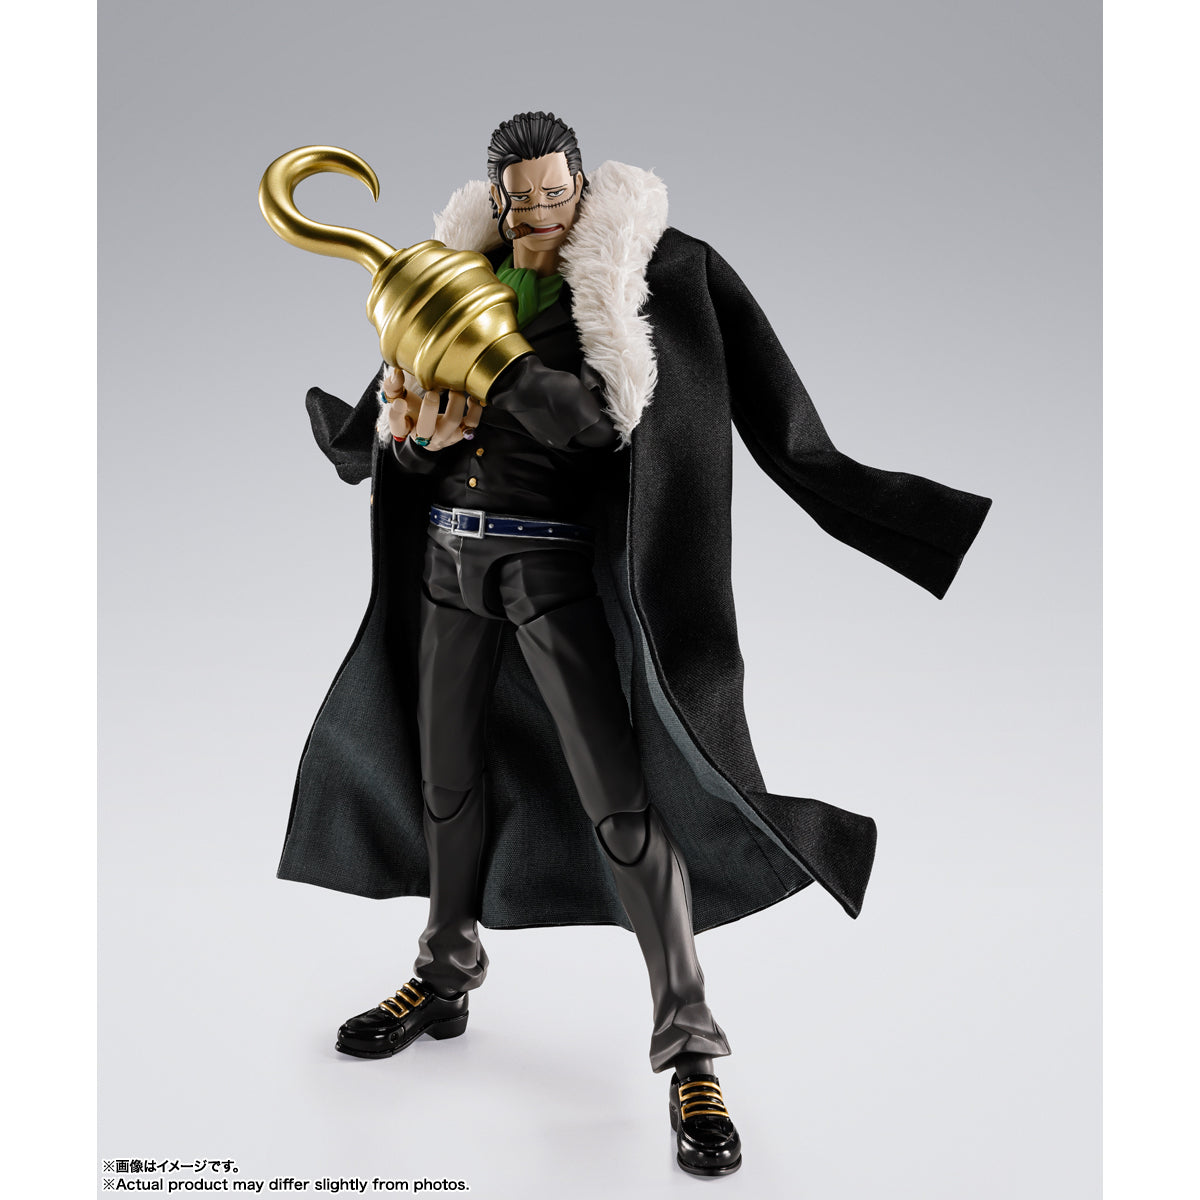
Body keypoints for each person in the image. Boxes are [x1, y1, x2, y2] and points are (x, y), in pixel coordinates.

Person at [281, 112, 991, 1178]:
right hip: (449, 566)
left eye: (554, 192)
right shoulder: (461, 276)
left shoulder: (632, 286)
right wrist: (415, 430)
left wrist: (488, 360)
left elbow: (589, 425)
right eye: (518, 195)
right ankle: (446, 968)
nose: (536, 210)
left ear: (579, 188)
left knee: (621, 806)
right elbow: (409, 446)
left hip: (550, 573)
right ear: (496, 196)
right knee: (445, 786)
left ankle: (690, 1045)